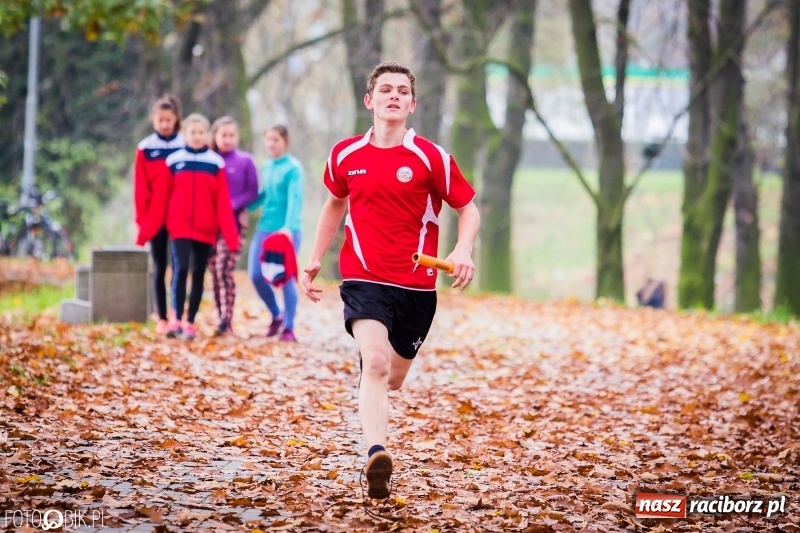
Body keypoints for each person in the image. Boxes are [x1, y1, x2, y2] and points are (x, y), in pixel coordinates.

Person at [300, 61, 480, 499]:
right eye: (385, 90)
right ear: (370, 100)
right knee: (375, 364)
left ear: (413, 104)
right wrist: (314, 258)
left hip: (417, 289)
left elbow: (468, 209)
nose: (394, 96)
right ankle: (376, 455)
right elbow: (333, 206)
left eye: (402, 90)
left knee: (393, 376)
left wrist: (462, 250)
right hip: (363, 281)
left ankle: (376, 381)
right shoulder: (345, 155)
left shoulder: (431, 158)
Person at [165, 113, 240, 340]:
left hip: (206, 230)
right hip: (179, 227)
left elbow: (223, 203)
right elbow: (164, 197)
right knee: (181, 269)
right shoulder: (174, 161)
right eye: (192, 132)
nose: (197, 137)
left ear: (207, 135)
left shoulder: (215, 163)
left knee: (198, 273)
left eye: (200, 133)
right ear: (185, 134)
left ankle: (190, 323)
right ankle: (175, 319)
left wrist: (231, 237)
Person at [247, 125, 304, 342]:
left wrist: (288, 228)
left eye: (276, 140)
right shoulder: (267, 166)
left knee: (285, 277)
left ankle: (289, 327)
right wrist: (244, 208)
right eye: (268, 140)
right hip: (265, 227)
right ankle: (276, 314)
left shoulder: (293, 168)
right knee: (255, 274)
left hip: (288, 230)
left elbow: (294, 199)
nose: (271, 144)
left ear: (285, 142)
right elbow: (264, 195)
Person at [134, 94, 184, 334]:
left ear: (176, 120)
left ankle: (177, 314)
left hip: (179, 216)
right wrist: (142, 219)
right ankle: (161, 317)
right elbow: (140, 188)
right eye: (160, 120)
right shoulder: (145, 148)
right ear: (154, 120)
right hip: (155, 218)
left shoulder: (186, 144)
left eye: (169, 120)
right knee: (159, 266)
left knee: (179, 266)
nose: (165, 124)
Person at [207, 116, 260, 336]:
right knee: (213, 270)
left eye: (231, 135)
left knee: (224, 269)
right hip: (209, 225)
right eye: (223, 135)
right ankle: (220, 316)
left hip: (235, 223)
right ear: (215, 136)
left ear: (236, 136)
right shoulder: (209, 160)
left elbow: (252, 191)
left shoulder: (245, 161)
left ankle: (226, 320)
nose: (227, 139)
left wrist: (231, 204)